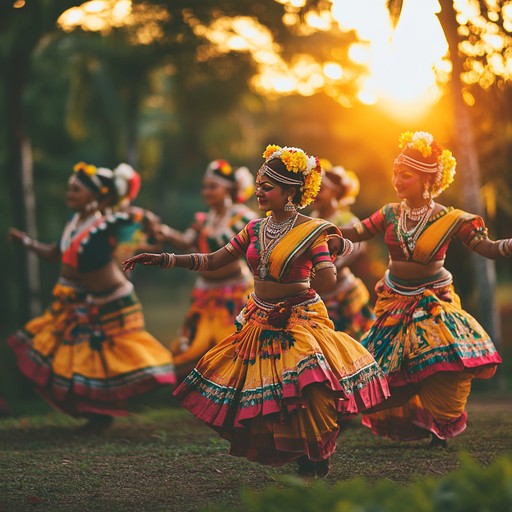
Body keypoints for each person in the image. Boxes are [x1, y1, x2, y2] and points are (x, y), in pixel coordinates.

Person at [123, 145, 390, 477]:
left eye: (268, 186)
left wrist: (331, 250)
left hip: (299, 317)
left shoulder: (312, 231)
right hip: (259, 317)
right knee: (269, 389)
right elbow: (211, 259)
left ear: (291, 191)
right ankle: (297, 449)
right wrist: (164, 259)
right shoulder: (254, 229)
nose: (260, 192)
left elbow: (325, 280)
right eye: (260, 185)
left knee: (308, 384)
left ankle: (316, 451)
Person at [339, 131, 504, 447]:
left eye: (406, 175)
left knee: (436, 363)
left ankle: (437, 427)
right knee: (385, 366)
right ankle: (409, 419)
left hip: (433, 301)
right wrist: (318, 230)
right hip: (394, 300)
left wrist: (507, 247)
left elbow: (487, 248)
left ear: (428, 180)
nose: (397, 181)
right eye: (396, 174)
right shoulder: (390, 212)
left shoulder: (450, 218)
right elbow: (358, 231)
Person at [8, 161, 176, 432]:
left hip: (112, 300)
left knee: (103, 359)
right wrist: (27, 242)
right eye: (69, 189)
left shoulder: (107, 224)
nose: (69, 194)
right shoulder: (74, 222)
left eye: (76, 190)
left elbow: (143, 224)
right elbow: (55, 253)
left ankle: (105, 413)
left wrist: (153, 233)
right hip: (79, 300)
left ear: (96, 196)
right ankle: (95, 413)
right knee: (72, 355)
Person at [156, 160, 257, 379]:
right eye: (205, 186)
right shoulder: (203, 219)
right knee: (195, 343)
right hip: (205, 291)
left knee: (235, 343)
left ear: (229, 188)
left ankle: (236, 390)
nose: (207, 192)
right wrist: (164, 232)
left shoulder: (242, 217)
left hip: (235, 290)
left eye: (213, 186)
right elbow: (185, 242)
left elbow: (257, 243)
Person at [311, 160, 375, 339]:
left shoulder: (348, 221)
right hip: (317, 298)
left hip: (344, 296)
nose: (315, 193)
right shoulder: (309, 221)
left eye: (321, 189)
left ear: (336, 192)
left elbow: (345, 258)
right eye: (314, 188)